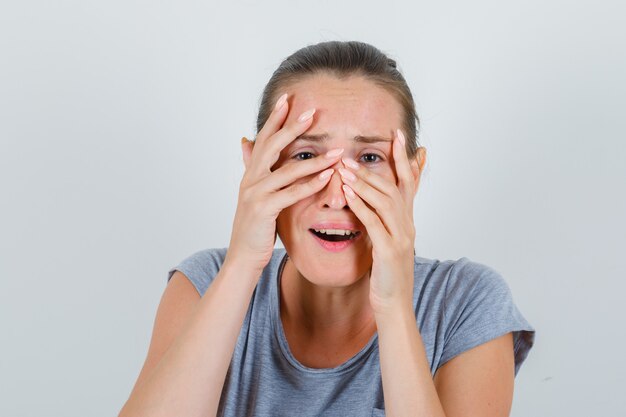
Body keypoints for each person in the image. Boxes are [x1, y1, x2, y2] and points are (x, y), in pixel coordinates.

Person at [119, 41, 535, 417]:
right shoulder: (204, 283)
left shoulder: (467, 303)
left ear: (413, 172)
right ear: (257, 168)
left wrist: (393, 307)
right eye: (306, 155)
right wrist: (242, 264)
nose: (336, 196)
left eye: (369, 158)